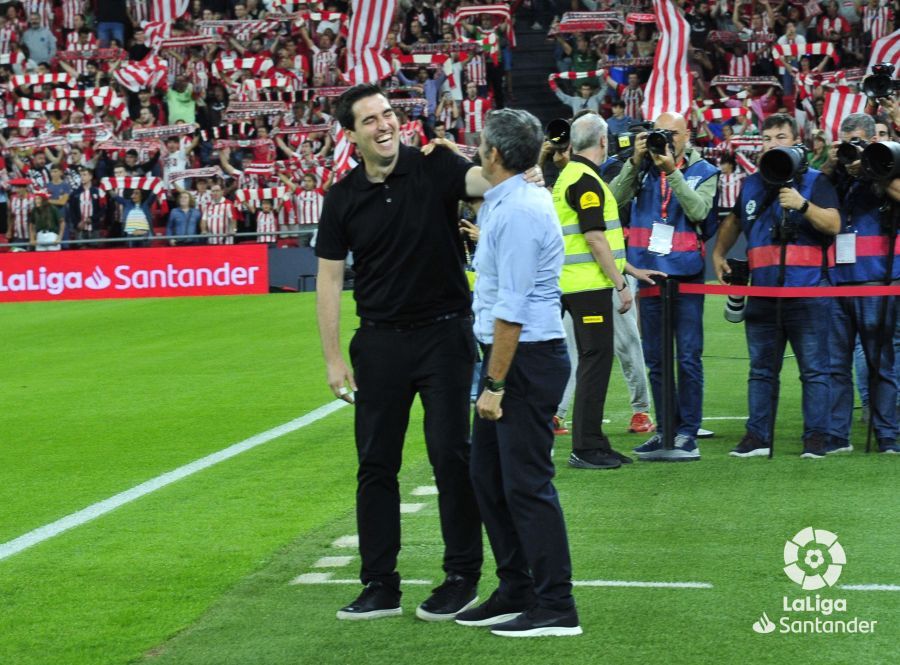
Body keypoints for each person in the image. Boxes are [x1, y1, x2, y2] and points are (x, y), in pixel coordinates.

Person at [315, 83, 492, 622]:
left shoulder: (435, 165)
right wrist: (333, 358)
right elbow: (328, 280)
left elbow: (485, 182)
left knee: (450, 455)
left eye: (388, 114)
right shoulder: (342, 197)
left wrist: (489, 162)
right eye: (369, 119)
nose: (384, 124)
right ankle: (379, 584)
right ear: (351, 135)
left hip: (445, 336)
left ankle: (461, 577)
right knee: (375, 465)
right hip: (379, 343)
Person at [454, 107, 580, 637]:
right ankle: (517, 587)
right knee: (487, 476)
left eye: (480, 144)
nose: (476, 151)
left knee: (527, 485)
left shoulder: (519, 210)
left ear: (495, 154)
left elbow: (513, 308)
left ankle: (556, 604)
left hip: (523, 359)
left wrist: (495, 384)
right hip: (515, 355)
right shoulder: (510, 201)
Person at [712, 113, 841, 458]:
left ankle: (816, 438)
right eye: (767, 139)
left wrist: (802, 204)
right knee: (761, 371)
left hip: (808, 292)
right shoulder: (752, 183)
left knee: (814, 371)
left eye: (780, 137)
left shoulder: (815, 181)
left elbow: (833, 224)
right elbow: (734, 220)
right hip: (763, 293)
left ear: (796, 141)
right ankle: (757, 437)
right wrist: (718, 253)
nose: (773, 144)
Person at [552, 113, 665, 470]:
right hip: (588, 286)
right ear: (603, 141)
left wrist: (629, 270)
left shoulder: (570, 175)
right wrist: (620, 283)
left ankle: (594, 441)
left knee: (594, 360)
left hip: (576, 283)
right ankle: (586, 447)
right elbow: (594, 238)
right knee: (595, 361)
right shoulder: (586, 180)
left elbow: (590, 241)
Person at [609, 112, 720, 461]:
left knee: (687, 357)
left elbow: (699, 212)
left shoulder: (704, 171)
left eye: (672, 133)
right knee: (656, 358)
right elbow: (613, 201)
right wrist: (634, 162)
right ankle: (665, 430)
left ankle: (688, 432)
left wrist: (672, 172)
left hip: (686, 274)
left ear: (687, 135)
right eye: (660, 132)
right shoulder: (641, 168)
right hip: (649, 272)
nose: (666, 139)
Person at [825, 113, 900, 455]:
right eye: (846, 143)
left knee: (881, 363)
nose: (850, 150)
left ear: (872, 141)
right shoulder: (836, 177)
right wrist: (831, 165)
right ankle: (837, 436)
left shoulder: (888, 169)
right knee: (836, 364)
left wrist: (871, 169)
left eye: (857, 142)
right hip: (838, 280)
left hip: (877, 279)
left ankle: (887, 436)